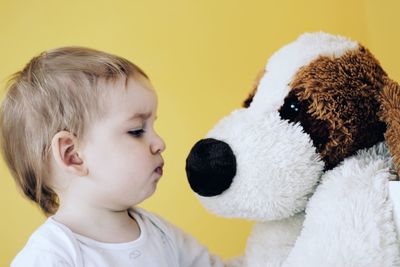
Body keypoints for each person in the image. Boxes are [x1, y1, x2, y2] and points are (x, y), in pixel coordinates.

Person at [0, 47, 226, 266]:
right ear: (73, 155)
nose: (160, 143)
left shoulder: (162, 235)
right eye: (137, 131)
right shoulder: (52, 257)